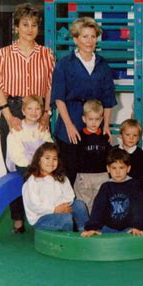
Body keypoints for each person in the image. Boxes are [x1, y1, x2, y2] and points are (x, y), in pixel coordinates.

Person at [0, 3, 55, 233]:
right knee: (15, 168)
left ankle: (44, 216)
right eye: (24, 24)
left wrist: (47, 112)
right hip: (13, 111)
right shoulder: (4, 53)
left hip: (38, 114)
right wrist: (8, 115)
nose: (29, 29)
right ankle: (18, 219)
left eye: (34, 24)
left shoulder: (46, 54)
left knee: (42, 167)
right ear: (16, 27)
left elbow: (49, 87)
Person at [51, 16, 117, 186]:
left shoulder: (103, 65)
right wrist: (69, 125)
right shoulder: (64, 64)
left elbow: (108, 100)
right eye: (85, 36)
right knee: (69, 171)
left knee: (95, 171)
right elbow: (59, 98)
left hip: (95, 123)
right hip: (70, 122)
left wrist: (106, 126)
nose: (89, 41)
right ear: (75, 39)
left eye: (93, 36)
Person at [22, 143, 89, 232]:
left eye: (55, 159)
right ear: (38, 160)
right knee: (66, 219)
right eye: (47, 158)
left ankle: (85, 231)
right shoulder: (33, 182)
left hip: (60, 209)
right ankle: (67, 241)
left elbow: (70, 195)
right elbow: (35, 206)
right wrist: (54, 209)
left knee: (79, 205)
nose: (51, 162)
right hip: (40, 218)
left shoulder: (61, 177)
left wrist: (62, 207)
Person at [81, 148, 143, 237]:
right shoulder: (106, 186)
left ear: (128, 168)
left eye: (121, 167)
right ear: (108, 169)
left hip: (129, 229)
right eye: (114, 168)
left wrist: (137, 227)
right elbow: (98, 209)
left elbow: (139, 209)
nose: (117, 171)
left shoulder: (134, 185)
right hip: (107, 229)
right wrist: (93, 228)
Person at [74, 100, 111, 213]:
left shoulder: (105, 136)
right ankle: (85, 225)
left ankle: (97, 224)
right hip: (84, 175)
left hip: (102, 175)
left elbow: (109, 155)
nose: (94, 123)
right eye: (90, 119)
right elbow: (75, 157)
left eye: (97, 119)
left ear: (102, 119)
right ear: (84, 119)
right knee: (84, 202)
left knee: (100, 202)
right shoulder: (79, 136)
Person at [6, 96, 53, 174]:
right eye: (29, 109)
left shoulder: (42, 129)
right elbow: (17, 155)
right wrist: (35, 163)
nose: (34, 112)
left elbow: (50, 148)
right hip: (24, 166)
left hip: (41, 164)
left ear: (41, 111)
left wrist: (44, 162)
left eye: (37, 109)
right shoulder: (17, 130)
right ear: (23, 111)